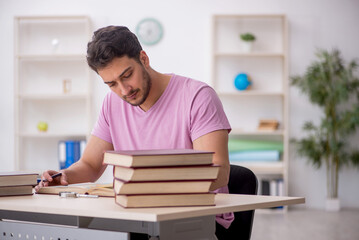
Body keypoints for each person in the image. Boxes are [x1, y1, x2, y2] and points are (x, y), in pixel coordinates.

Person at [35, 25, 234, 238]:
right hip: (134, 218)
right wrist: (65, 176)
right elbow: (91, 165)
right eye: (111, 84)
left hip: (196, 219)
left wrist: (148, 185)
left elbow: (219, 172)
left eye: (127, 75)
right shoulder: (112, 104)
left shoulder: (197, 97)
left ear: (144, 59)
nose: (124, 90)